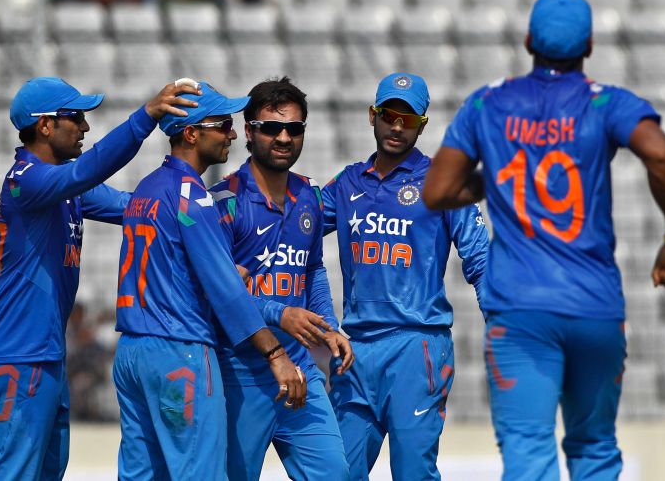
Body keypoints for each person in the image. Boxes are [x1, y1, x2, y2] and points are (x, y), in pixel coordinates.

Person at [422, 0, 665, 481]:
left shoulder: (490, 102)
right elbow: (659, 153)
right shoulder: (606, 102)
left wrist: (493, 182)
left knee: (528, 451)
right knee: (594, 448)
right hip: (596, 306)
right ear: (589, 47)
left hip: (521, 312)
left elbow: (438, 191)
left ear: (528, 41)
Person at [0, 75, 201, 480]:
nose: (85, 127)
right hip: (16, 353)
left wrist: (206, 212)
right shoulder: (27, 180)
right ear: (44, 125)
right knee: (12, 472)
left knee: (46, 472)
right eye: (75, 117)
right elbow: (89, 171)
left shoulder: (62, 184)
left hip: (43, 354)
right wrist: (145, 117)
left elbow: (139, 208)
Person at [112, 82, 307, 481]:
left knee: (141, 474)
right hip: (179, 352)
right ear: (191, 133)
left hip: (132, 353)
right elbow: (226, 291)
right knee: (200, 473)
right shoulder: (192, 194)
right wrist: (276, 355)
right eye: (222, 125)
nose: (232, 134)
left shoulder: (149, 188)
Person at [321, 73, 489, 480]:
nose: (397, 127)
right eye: (390, 116)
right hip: (355, 350)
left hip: (416, 345)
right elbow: (293, 225)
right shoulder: (347, 184)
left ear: (422, 125)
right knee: (335, 472)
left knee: (413, 472)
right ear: (372, 116)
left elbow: (480, 258)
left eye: (408, 119)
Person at [208, 77, 353, 480]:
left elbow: (313, 269)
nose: (284, 137)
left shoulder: (309, 195)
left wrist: (328, 326)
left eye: (294, 128)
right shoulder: (223, 202)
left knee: (335, 474)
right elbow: (220, 296)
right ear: (249, 133)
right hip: (241, 373)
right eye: (272, 128)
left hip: (301, 369)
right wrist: (279, 313)